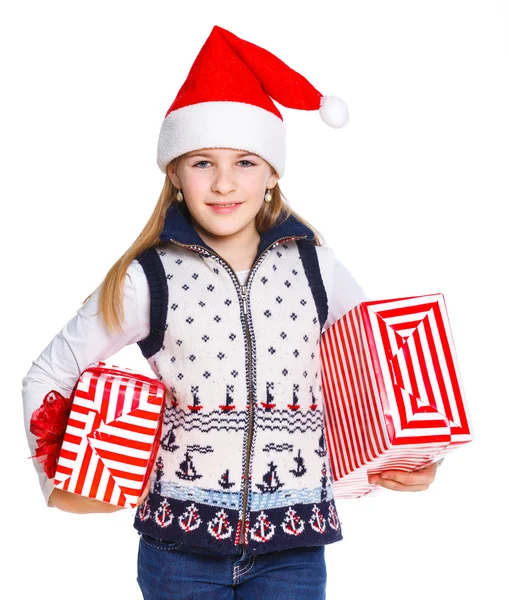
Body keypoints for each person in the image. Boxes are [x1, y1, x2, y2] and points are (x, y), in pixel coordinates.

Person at [22, 25, 441, 600]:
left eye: (245, 161)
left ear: (272, 173)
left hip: (293, 550)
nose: (224, 183)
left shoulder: (317, 266)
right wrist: (59, 480)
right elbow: (48, 374)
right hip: (178, 552)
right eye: (201, 162)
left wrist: (413, 457)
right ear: (173, 172)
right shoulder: (149, 276)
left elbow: (385, 368)